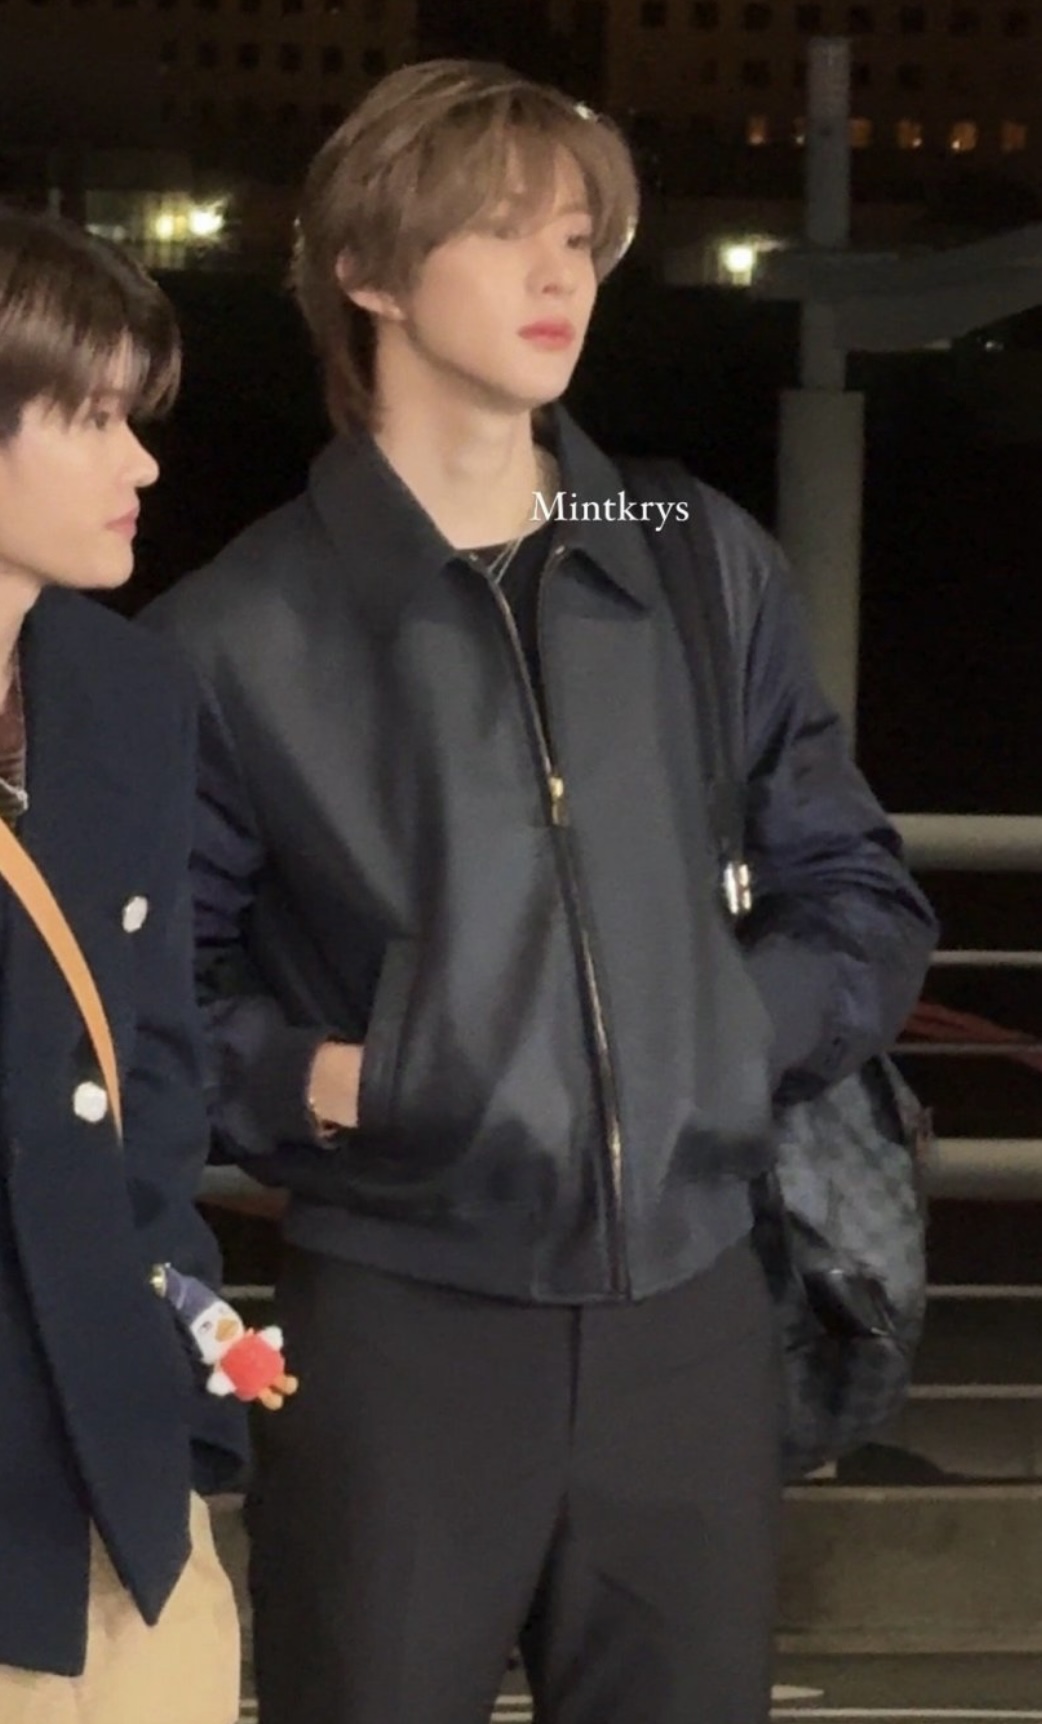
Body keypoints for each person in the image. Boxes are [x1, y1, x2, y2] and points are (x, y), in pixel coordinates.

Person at [147, 60, 937, 1724]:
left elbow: (858, 890)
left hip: (692, 1318)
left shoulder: (690, 554)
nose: (557, 273)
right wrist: (334, 1079)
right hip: (402, 1327)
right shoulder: (237, 632)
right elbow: (146, 1000)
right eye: (502, 231)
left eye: (578, 236)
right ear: (366, 271)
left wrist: (720, 1040)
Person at [0, 205, 247, 1724]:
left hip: (120, 1473)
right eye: (93, 418)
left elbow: (153, 1069)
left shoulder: (127, 688)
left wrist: (186, 1353)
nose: (142, 464)